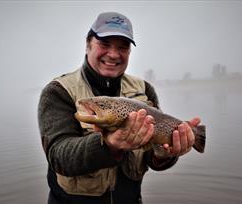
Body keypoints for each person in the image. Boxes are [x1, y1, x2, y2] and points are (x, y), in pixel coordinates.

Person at [38, 11, 200, 204]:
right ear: (88, 45)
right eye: (104, 44)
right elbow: (58, 156)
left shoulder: (145, 90)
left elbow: (153, 158)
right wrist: (108, 145)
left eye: (122, 47)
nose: (114, 54)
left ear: (129, 53)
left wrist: (166, 153)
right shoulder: (58, 91)